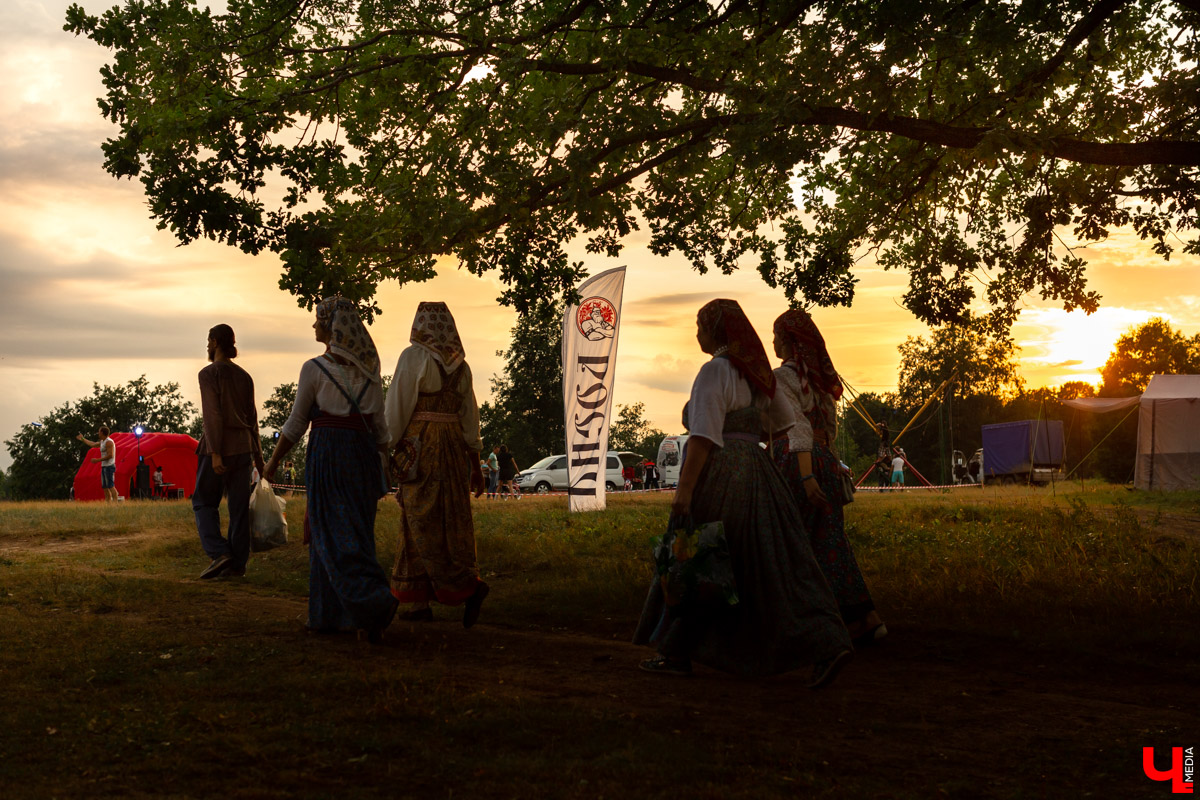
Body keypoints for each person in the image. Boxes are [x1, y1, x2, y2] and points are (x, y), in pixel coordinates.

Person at [633, 299, 852, 688]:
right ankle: (826, 640)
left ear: (716, 331)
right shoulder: (757, 375)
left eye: (700, 325)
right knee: (775, 562)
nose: (696, 333)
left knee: (700, 558)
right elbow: (784, 425)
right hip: (758, 471)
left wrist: (684, 492)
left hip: (722, 471)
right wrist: (749, 435)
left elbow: (702, 437)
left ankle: (676, 652)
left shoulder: (713, 372)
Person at [264, 298, 398, 642]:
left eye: (317, 320)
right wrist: (385, 462)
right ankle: (332, 615)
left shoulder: (315, 368)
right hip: (364, 458)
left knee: (328, 532)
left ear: (331, 325)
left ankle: (372, 605)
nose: (314, 326)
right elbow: (380, 427)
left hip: (329, 456)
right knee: (357, 532)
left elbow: (295, 424)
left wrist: (273, 461)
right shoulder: (371, 371)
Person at [771, 308, 887, 646]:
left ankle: (813, 626)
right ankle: (865, 617)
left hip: (798, 462)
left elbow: (799, 428)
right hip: (824, 459)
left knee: (799, 546)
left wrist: (807, 477)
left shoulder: (783, 378)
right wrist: (829, 462)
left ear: (790, 342)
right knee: (832, 541)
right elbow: (827, 427)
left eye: (777, 336)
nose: (774, 342)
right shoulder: (819, 378)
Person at [386, 302, 489, 626]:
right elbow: (470, 417)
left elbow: (397, 409)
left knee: (416, 520)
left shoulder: (412, 357)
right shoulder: (463, 367)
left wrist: (386, 447)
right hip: (455, 448)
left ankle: (455, 593)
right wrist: (475, 464)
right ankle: (429, 598)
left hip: (421, 447)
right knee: (452, 521)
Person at [193, 324, 265, 580]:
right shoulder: (244, 376)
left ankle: (219, 553)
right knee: (239, 508)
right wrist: (259, 455)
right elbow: (253, 418)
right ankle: (237, 566)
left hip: (219, 448)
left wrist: (214, 453)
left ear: (214, 342)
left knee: (203, 502)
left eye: (208, 341)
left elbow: (213, 415)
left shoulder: (209, 374)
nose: (207, 345)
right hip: (244, 447)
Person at [76, 426, 118, 502]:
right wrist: (83, 439)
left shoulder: (109, 442)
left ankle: (115, 503)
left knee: (110, 486)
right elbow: (92, 444)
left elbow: (110, 455)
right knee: (105, 487)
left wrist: (98, 460)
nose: (98, 433)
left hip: (109, 467)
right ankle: (108, 503)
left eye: (99, 431)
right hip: (104, 466)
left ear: (102, 432)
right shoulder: (102, 441)